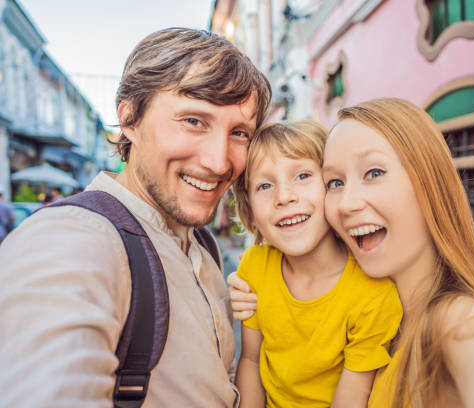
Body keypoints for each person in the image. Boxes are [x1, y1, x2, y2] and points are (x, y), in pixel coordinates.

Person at [229, 98, 474, 407]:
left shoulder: (455, 318)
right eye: (334, 182)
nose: (346, 203)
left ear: (429, 184)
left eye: (374, 173)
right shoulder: (367, 294)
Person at [0, 28, 271, 407]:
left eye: (239, 132)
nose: (219, 160)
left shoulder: (201, 243)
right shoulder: (71, 239)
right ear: (129, 118)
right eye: (194, 121)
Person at [232, 121, 402, 407]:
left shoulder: (373, 296)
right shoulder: (255, 266)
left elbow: (352, 396)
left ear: (333, 187)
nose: (284, 197)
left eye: (302, 176)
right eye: (264, 185)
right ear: (250, 214)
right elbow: (250, 360)